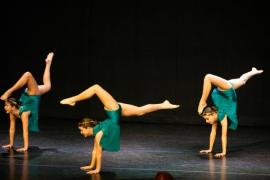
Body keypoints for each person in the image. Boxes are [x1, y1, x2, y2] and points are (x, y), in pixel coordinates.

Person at [60, 84, 179, 174]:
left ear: (88, 127)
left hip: (113, 110)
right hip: (115, 111)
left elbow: (98, 152)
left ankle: (73, 99)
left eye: (81, 130)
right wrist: (91, 166)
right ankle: (163, 105)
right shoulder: (98, 132)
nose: (81, 132)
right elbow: (96, 150)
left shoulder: (98, 133)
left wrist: (97, 169)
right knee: (140, 111)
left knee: (96, 88)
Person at [197, 67, 263, 158]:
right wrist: (211, 149)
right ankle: (253, 72)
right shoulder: (220, 117)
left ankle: (202, 101)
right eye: (206, 119)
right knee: (242, 81)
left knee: (208, 77)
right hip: (228, 91)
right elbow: (219, 134)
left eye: (207, 118)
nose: (206, 121)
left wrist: (220, 152)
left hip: (225, 90)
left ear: (212, 114)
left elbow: (219, 134)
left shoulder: (220, 114)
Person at [1, 52, 54, 152]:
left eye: (6, 106)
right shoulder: (12, 112)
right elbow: (12, 129)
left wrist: (25, 147)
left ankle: (9, 91)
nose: (4, 107)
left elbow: (25, 131)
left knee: (28, 74)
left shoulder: (24, 114)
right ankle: (48, 63)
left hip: (32, 96)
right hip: (31, 97)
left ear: (13, 106)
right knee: (48, 86)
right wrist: (11, 144)